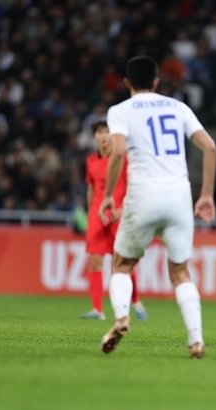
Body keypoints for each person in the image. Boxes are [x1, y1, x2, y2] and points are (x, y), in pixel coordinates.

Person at [98, 55, 216, 358]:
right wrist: (206, 195)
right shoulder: (178, 107)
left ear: (126, 83)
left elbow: (118, 151)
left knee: (122, 264)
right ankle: (196, 340)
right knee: (180, 272)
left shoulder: (120, 111)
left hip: (143, 195)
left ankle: (122, 316)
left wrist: (109, 194)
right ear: (156, 82)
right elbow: (210, 146)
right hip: (179, 197)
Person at [81, 121, 148, 321]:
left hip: (119, 215)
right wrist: (90, 213)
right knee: (94, 260)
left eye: (106, 132)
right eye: (99, 133)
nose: (102, 136)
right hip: (97, 215)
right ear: (94, 137)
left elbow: (134, 187)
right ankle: (97, 309)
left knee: (122, 263)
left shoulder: (123, 160)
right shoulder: (91, 161)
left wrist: (123, 209)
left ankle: (135, 300)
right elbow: (91, 189)